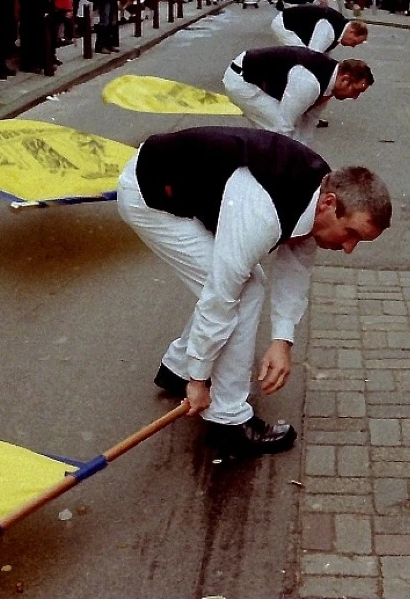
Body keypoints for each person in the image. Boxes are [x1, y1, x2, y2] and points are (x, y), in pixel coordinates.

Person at [116, 126, 392, 459]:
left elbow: (296, 270)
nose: (349, 248)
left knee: (242, 283)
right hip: (152, 196)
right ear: (330, 204)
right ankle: (228, 423)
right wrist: (200, 381)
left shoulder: (315, 195)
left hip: (187, 186)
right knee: (244, 289)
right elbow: (220, 297)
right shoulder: (262, 209)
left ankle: (177, 370)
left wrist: (282, 341)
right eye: (351, 234)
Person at [223, 46, 374, 146]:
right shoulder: (309, 83)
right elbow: (284, 125)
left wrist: (306, 156)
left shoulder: (329, 81)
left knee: (279, 134)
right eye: (357, 91)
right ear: (345, 79)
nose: (355, 97)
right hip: (242, 80)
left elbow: (309, 121)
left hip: (257, 78)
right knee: (278, 128)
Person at [271, 3, 369, 54]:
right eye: (355, 42)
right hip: (284, 24)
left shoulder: (339, 26)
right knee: (300, 55)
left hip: (294, 23)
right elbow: (313, 54)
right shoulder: (329, 30)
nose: (353, 46)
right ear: (352, 32)